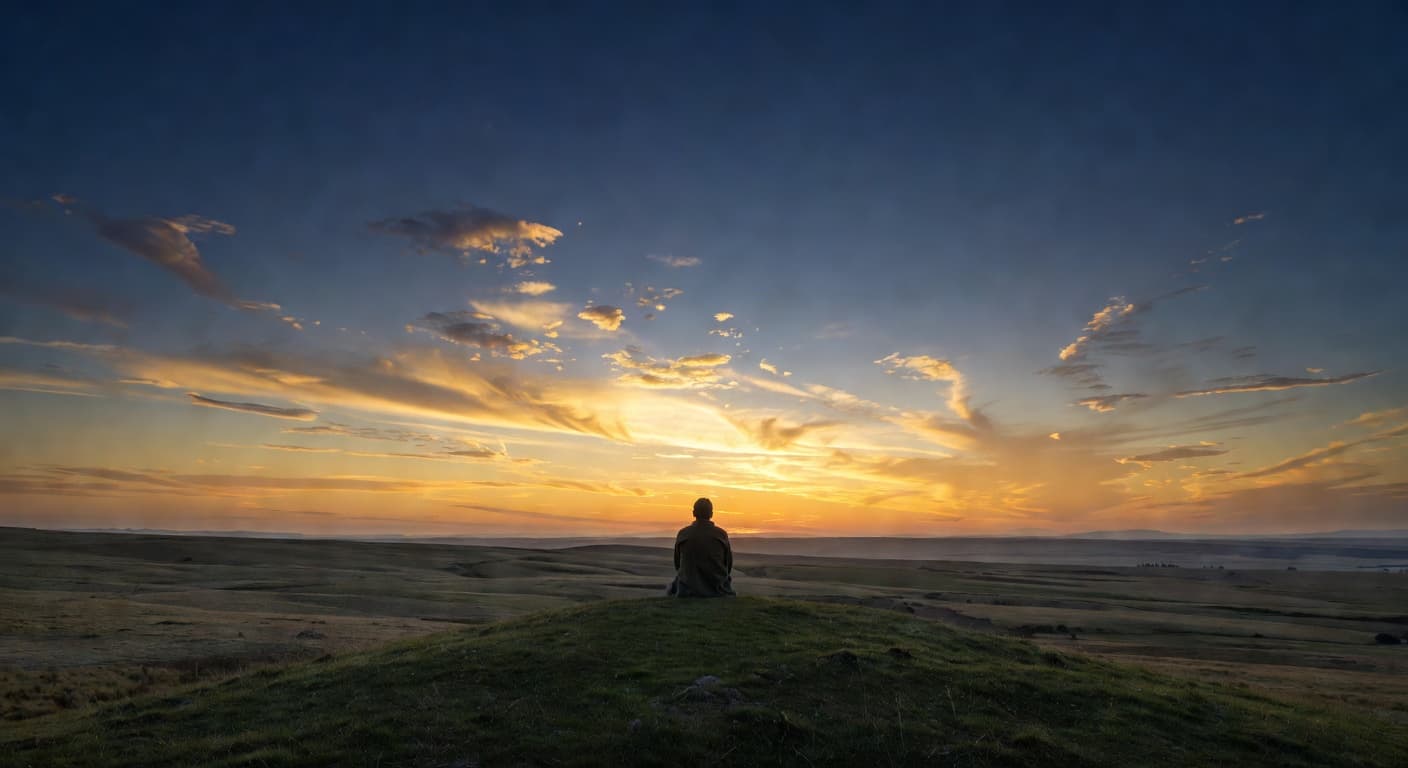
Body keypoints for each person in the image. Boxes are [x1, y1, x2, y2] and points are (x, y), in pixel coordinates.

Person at [666, 497, 735, 597]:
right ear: (711, 514)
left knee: (672, 586)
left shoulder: (683, 534)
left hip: (687, 589)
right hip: (717, 589)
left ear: (694, 513)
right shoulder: (721, 535)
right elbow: (728, 565)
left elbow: (678, 565)